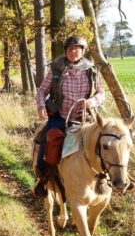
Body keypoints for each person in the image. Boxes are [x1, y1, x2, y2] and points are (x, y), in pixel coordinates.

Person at [33, 36, 105, 197]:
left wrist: (92, 101)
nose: (73, 52)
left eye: (77, 49)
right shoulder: (56, 70)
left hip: (86, 118)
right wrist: (41, 106)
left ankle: (113, 178)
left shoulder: (92, 71)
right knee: (47, 138)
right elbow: (42, 91)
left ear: (82, 51)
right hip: (61, 115)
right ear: (65, 51)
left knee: (107, 141)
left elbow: (101, 93)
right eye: (70, 49)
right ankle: (42, 179)